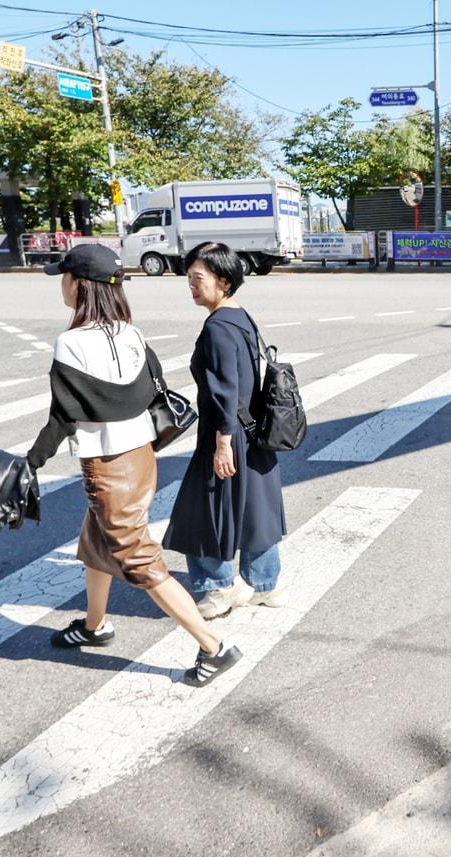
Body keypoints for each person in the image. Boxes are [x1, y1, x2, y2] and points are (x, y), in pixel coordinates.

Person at [25, 243, 242, 688]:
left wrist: (29, 464)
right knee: (97, 543)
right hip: (142, 458)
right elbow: (145, 395)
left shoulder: (71, 342)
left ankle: (214, 647)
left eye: (65, 277)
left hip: (108, 468)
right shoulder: (131, 334)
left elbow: (64, 416)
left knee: (141, 561)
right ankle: (94, 625)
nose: (61, 285)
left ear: (80, 286)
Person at [164, 241, 287, 618]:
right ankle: (266, 586)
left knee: (201, 513)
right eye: (189, 278)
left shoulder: (217, 327)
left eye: (197, 278)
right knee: (255, 510)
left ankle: (218, 590)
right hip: (253, 433)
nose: (191, 285)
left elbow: (224, 389)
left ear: (223, 279)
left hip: (227, 435)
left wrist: (221, 445)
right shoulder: (240, 316)